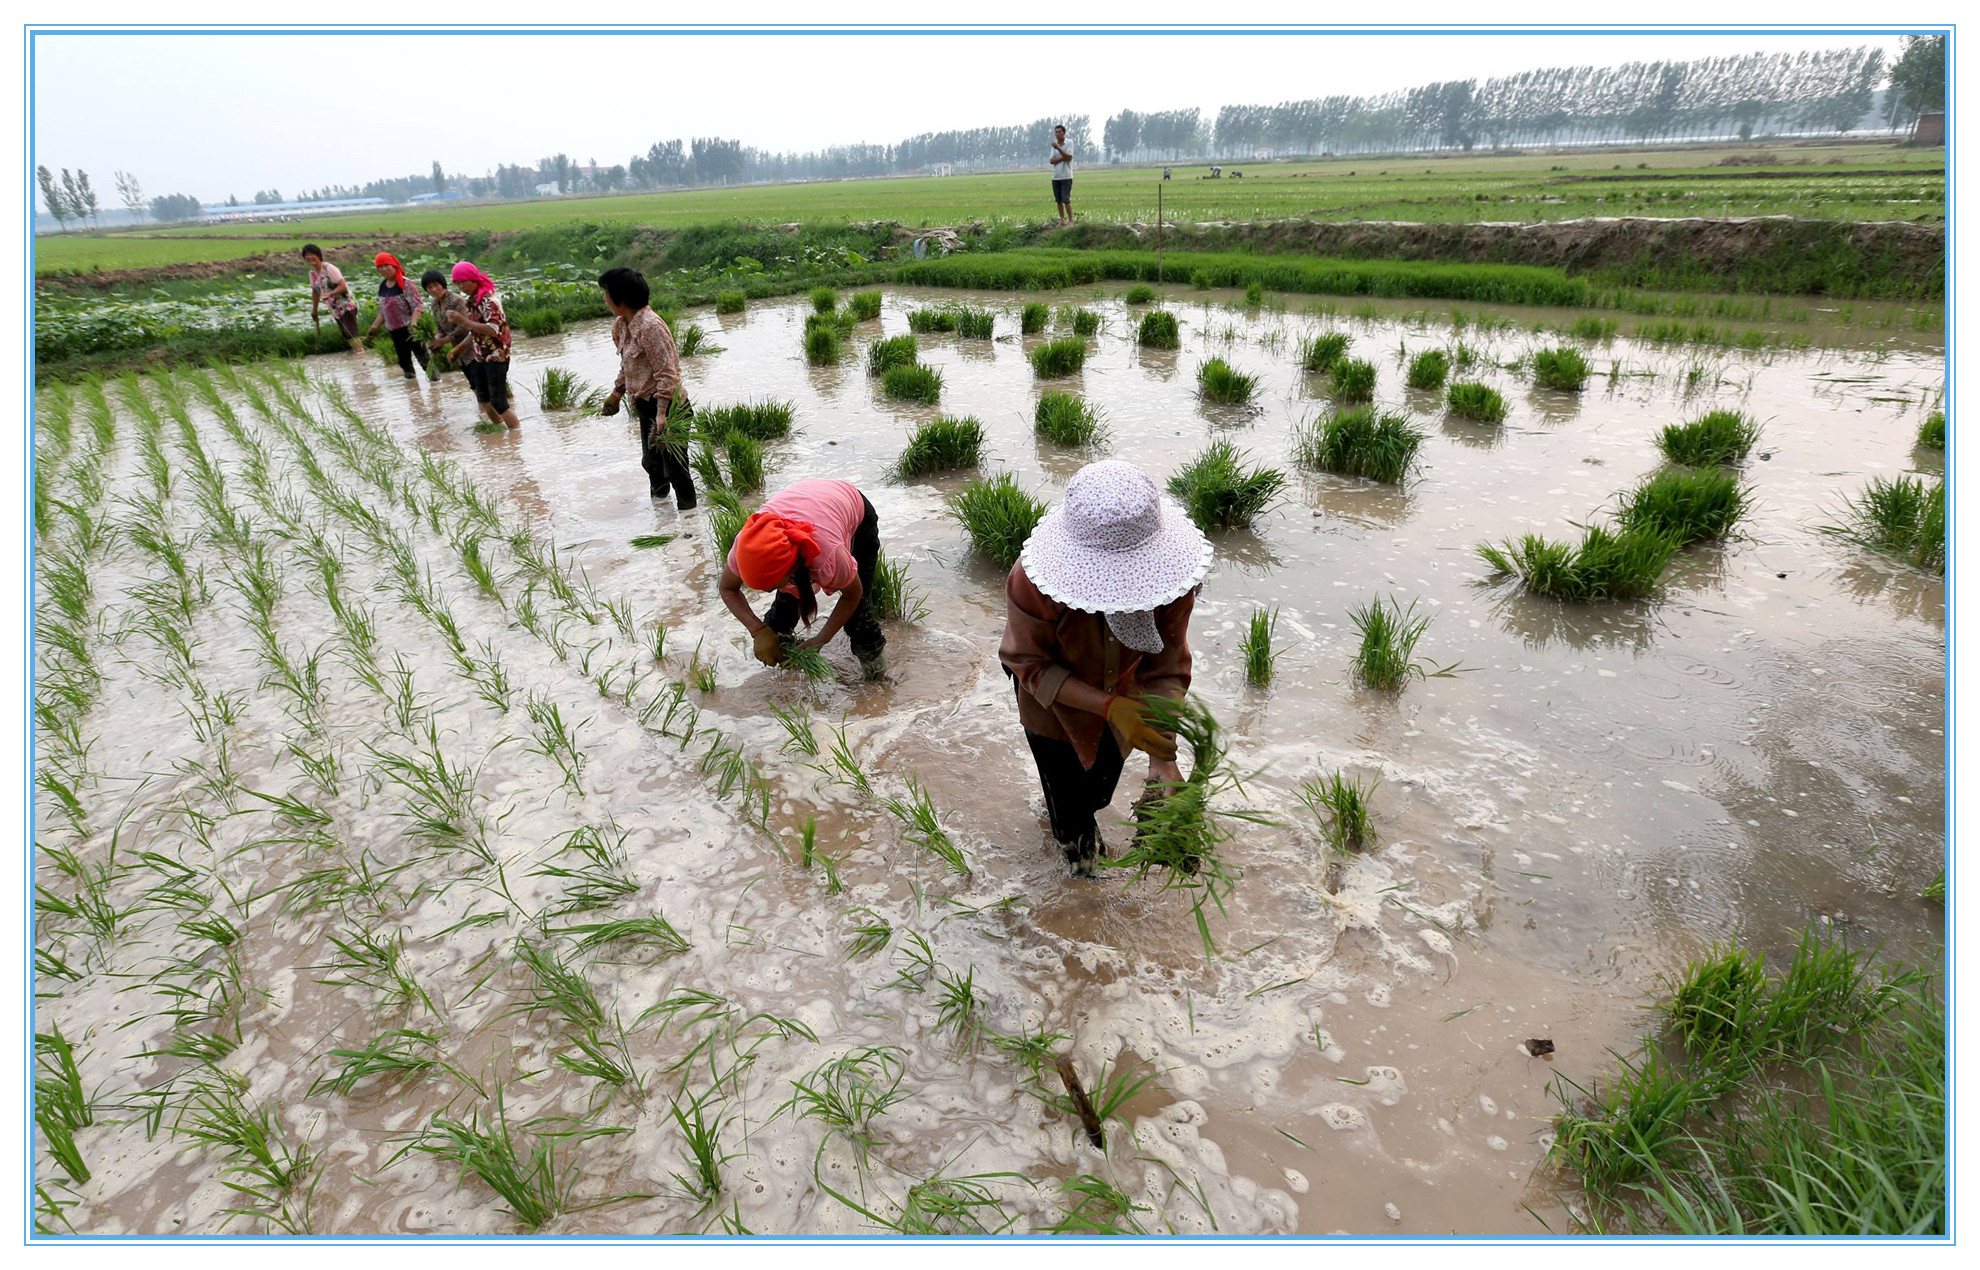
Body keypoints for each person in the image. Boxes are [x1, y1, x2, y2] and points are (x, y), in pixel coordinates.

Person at [998, 460, 1210, 877]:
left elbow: (1166, 664)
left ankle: (1071, 810)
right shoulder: (1033, 581)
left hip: (1127, 691)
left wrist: (1162, 755)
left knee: (1097, 791)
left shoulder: (1173, 583)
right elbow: (1029, 663)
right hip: (1051, 705)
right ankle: (1080, 896)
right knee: (1074, 832)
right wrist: (1109, 706)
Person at [719, 480, 886, 681]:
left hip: (852, 508)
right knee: (780, 619)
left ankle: (878, 680)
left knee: (858, 619)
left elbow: (852, 595)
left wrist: (822, 639)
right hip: (808, 503)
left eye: (771, 586)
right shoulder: (747, 548)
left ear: (791, 568)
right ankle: (784, 679)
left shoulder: (828, 557)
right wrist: (758, 631)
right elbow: (728, 589)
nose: (768, 592)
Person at [596, 266, 695, 508]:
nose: (604, 298)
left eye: (607, 293)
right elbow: (628, 364)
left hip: (670, 407)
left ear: (621, 299)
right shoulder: (621, 326)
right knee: (651, 464)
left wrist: (662, 413)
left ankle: (690, 522)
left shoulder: (651, 327)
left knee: (675, 468)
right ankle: (662, 518)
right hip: (644, 404)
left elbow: (668, 373)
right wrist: (616, 393)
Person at [449, 261, 520, 429]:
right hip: (480, 357)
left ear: (473, 280)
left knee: (499, 402)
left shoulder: (490, 302)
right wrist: (458, 348)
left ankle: (516, 436)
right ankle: (500, 435)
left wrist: (463, 321)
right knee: (484, 400)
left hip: (496, 356)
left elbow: (493, 330)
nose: (461, 286)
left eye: (463, 282)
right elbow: (475, 333)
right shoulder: (472, 302)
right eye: (457, 283)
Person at [365, 252, 429, 381]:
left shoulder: (406, 284)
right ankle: (413, 393)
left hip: (411, 329)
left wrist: (414, 323)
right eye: (380, 267)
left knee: (424, 359)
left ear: (394, 265)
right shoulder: (382, 286)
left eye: (386, 265)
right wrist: (374, 327)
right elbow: (383, 310)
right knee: (404, 362)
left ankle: (435, 386)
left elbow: (417, 306)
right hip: (395, 330)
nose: (383, 269)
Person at [304, 244, 365, 353]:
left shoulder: (328, 268)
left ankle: (360, 354)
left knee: (351, 332)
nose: (309, 257)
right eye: (307, 255)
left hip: (346, 305)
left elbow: (342, 285)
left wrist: (330, 294)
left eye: (312, 254)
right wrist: (314, 309)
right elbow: (315, 292)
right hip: (334, 308)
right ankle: (358, 355)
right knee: (346, 334)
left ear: (318, 255)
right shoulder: (312, 273)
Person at [422, 268, 472, 378]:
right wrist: (435, 339)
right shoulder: (435, 304)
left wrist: (443, 341)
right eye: (430, 287)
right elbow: (440, 328)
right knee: (473, 385)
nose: (434, 289)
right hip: (458, 351)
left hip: (470, 346)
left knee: (479, 383)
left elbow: (464, 326)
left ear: (443, 284)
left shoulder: (456, 300)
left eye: (436, 285)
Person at [1049, 124, 1075, 225]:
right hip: (1056, 176)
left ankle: (1071, 220)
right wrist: (1063, 158)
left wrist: (1059, 148)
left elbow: (1069, 157)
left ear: (1064, 133)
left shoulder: (1069, 143)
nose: (1057, 134)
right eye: (1056, 132)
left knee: (1066, 199)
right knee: (1058, 200)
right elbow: (1051, 161)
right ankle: (1062, 219)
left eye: (1059, 132)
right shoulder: (1054, 145)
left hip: (1066, 176)